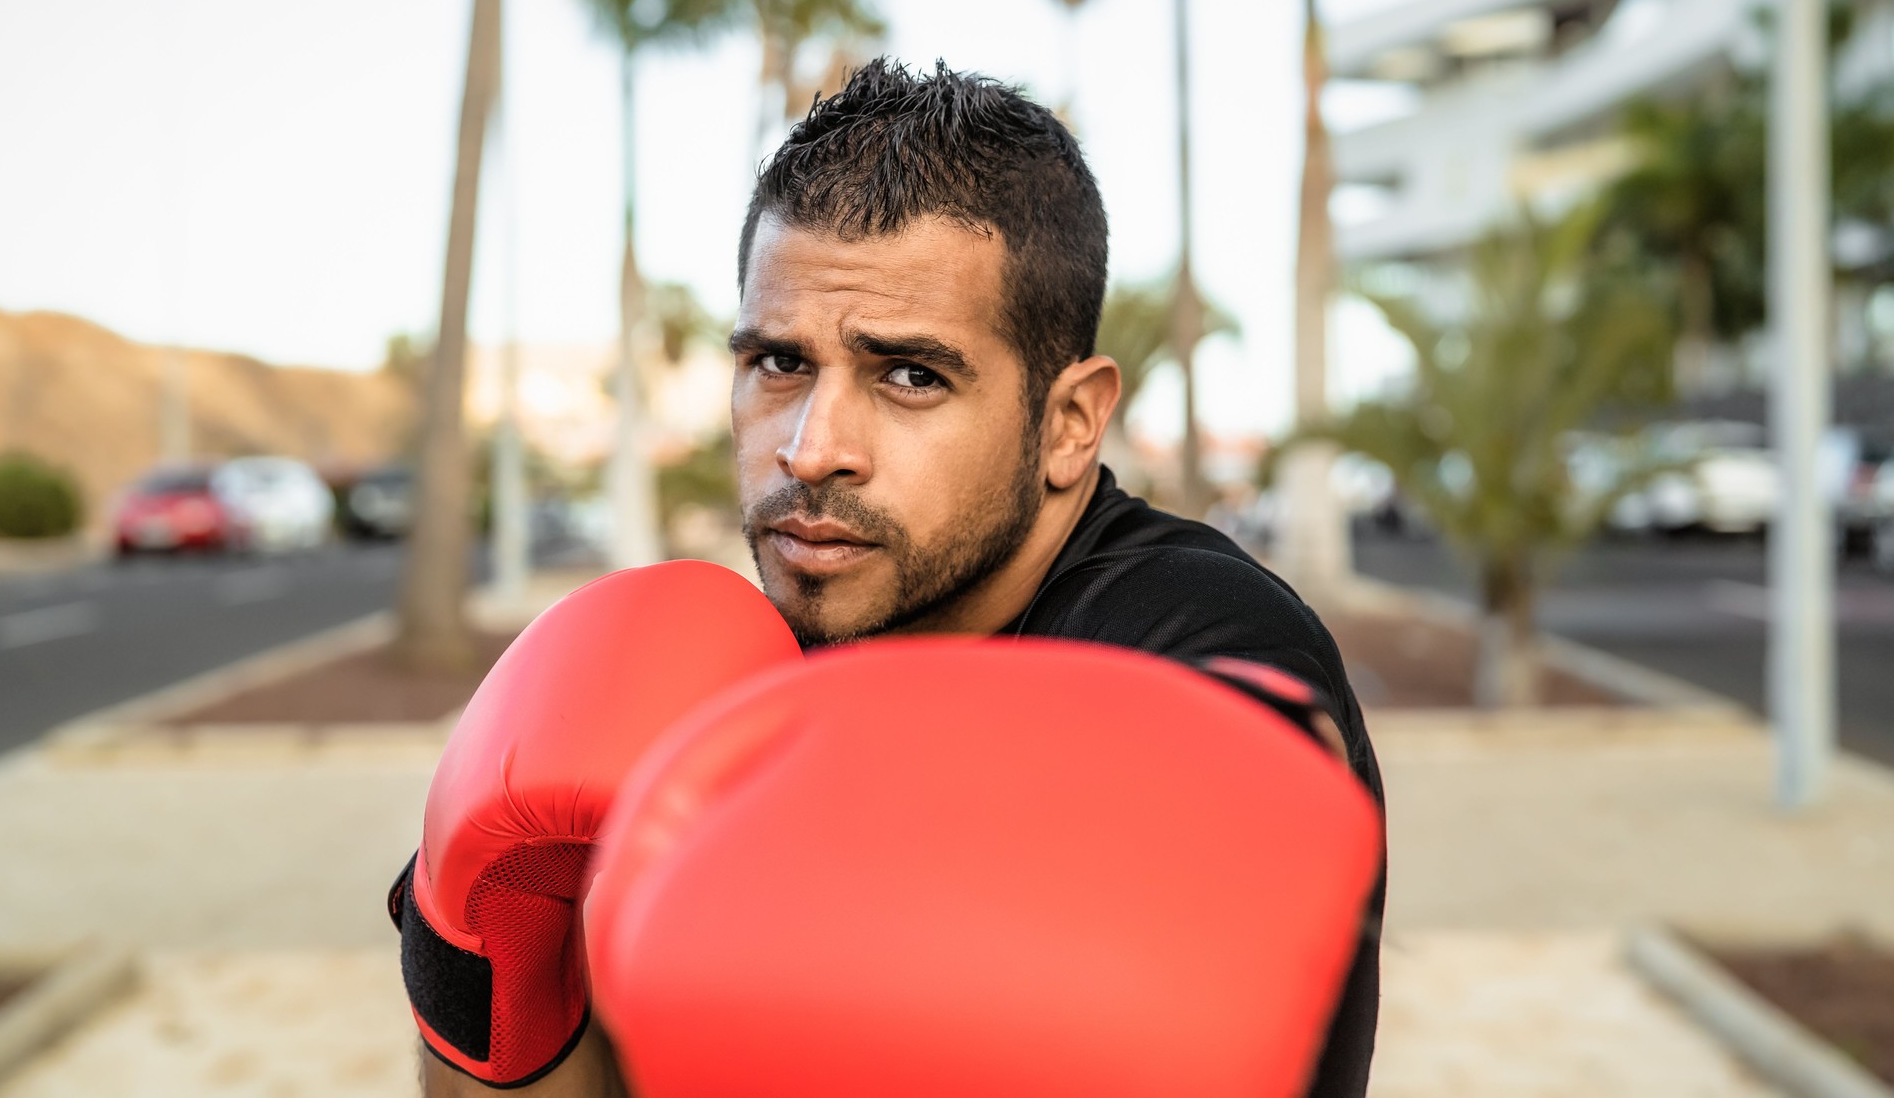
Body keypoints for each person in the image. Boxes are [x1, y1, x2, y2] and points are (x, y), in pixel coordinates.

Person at [411, 59, 1383, 1097]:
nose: (813, 447)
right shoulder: (712, 672)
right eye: (779, 363)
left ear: (1069, 423)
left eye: (910, 374)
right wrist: (488, 951)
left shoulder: (1193, 638)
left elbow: (1241, 784)